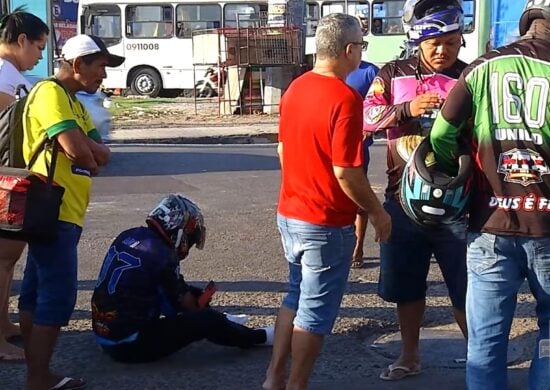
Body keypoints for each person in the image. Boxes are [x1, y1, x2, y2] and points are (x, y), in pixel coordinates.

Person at [263, 13, 391, 390]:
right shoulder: (345, 98)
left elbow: (283, 151)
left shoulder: (295, 89)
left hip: (291, 212)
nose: (361, 55)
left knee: (294, 295)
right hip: (325, 221)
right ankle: (297, 385)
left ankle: (275, 378)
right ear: (349, 50)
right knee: (314, 313)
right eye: (362, 47)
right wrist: (378, 212)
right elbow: (347, 172)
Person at [430, 2, 550, 389]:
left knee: (485, 341)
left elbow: (441, 135)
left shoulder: (482, 67)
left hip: (489, 224)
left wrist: (461, 164)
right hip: (547, 225)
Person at [362, 0, 468, 381]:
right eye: (435, 42)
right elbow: (367, 117)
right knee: (407, 287)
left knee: (466, 286)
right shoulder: (392, 73)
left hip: (459, 204)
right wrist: (407, 108)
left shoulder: (472, 76)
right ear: (418, 41)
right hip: (401, 203)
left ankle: (479, 357)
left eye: (452, 42)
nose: (443, 51)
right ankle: (409, 356)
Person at [18, 34, 123, 390]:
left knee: (35, 290)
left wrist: (89, 150)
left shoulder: (73, 101)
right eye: (100, 68)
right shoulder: (49, 94)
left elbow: (101, 153)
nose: (104, 77)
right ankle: (38, 377)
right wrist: (87, 151)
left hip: (65, 213)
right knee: (57, 295)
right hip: (54, 212)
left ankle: (36, 374)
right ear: (78, 65)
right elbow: (80, 152)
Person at [92, 194, 274, 363]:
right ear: (180, 232)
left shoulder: (130, 234)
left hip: (106, 332)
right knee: (206, 319)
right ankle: (260, 337)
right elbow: (178, 307)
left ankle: (225, 320)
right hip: (129, 344)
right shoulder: (162, 255)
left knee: (179, 290)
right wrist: (207, 314)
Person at [0, 9, 49, 362]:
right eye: (39, 46)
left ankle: (3, 325)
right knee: (1, 260)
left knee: (6, 261)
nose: (41, 55)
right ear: (21, 41)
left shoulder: (11, 74)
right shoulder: (3, 75)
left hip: (10, 178)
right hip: (4, 178)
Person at [345, 58, 380, 268]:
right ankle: (343, 244)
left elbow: (382, 102)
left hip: (359, 146)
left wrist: (371, 126)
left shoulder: (369, 71)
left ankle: (358, 247)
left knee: (358, 195)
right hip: (333, 145)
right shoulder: (328, 67)